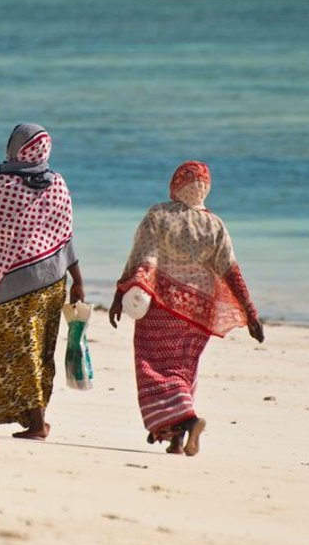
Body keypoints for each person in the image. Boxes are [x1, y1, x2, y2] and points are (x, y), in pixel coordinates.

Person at [108, 160, 264, 456]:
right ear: (205, 188)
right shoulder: (215, 225)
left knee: (153, 368)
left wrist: (121, 291)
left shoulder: (159, 214)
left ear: (176, 185)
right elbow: (231, 271)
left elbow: (144, 257)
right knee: (182, 370)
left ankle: (189, 421)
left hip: (162, 308)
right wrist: (251, 313)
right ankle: (175, 439)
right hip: (198, 312)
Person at [0, 123, 85, 440]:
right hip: (53, 281)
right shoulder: (57, 183)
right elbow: (64, 236)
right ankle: (30, 415)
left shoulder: (2, 184)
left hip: (13, 285)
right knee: (37, 351)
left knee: (18, 351)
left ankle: (37, 421)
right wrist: (77, 280)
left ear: (15, 148)